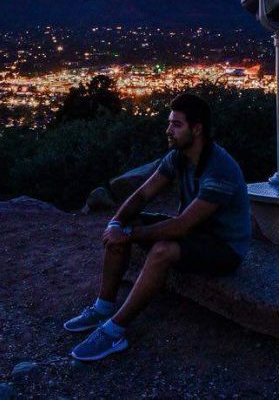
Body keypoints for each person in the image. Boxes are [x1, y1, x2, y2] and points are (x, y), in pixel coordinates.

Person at [64, 92, 251, 361]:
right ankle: (103, 306)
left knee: (163, 249)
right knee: (128, 222)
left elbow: (182, 226)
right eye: (169, 123)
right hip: (196, 235)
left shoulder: (219, 170)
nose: (169, 131)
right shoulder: (178, 157)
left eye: (176, 125)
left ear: (196, 129)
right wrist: (118, 222)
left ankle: (114, 331)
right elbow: (142, 194)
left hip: (224, 248)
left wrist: (126, 235)